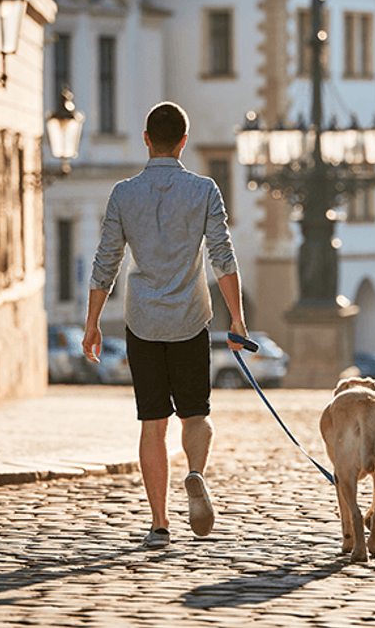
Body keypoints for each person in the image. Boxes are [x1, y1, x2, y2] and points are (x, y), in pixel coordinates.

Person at [82, 101, 247, 548]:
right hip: (191, 321)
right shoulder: (204, 190)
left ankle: (159, 522)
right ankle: (194, 472)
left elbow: (106, 263)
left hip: (142, 323)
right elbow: (222, 257)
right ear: (184, 143)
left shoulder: (123, 194)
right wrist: (238, 319)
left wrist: (93, 323)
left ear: (146, 139)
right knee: (196, 415)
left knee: (152, 423)